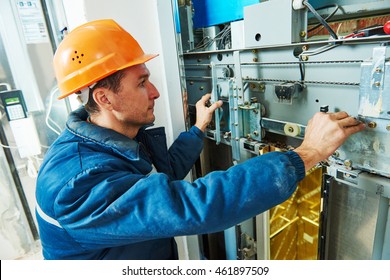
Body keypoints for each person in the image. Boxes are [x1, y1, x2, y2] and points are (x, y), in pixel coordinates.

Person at [35, 19, 365, 260]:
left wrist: (198, 128)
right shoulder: (76, 185)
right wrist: (307, 153)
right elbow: (193, 205)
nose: (156, 92)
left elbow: (160, 179)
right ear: (105, 99)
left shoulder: (113, 140)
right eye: (141, 83)